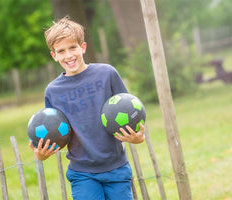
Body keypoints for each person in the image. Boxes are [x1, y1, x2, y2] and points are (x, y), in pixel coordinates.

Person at [29, 16, 145, 200]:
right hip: (82, 173)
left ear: (83, 47)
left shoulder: (107, 74)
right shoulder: (53, 91)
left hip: (116, 168)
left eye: (72, 47)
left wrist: (139, 138)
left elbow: (131, 111)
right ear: (54, 55)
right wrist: (42, 155)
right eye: (61, 51)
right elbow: (54, 133)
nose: (68, 55)